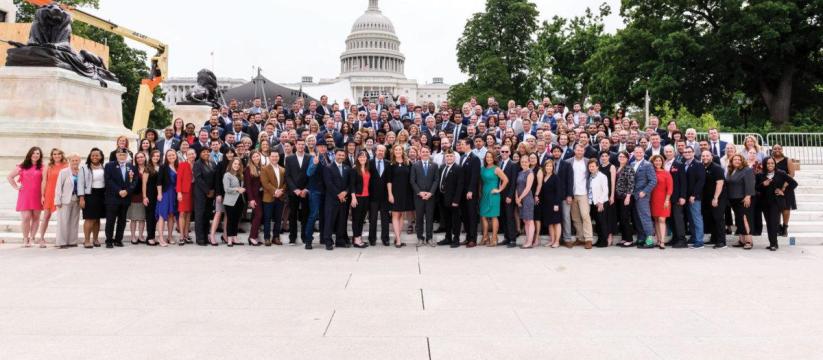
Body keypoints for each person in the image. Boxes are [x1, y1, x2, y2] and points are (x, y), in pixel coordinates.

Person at [757, 157, 797, 251]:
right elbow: (756, 188)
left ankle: (773, 244)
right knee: (769, 223)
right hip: (765, 202)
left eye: (772, 163)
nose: (770, 165)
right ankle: (773, 243)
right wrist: (763, 185)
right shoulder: (760, 175)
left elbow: (794, 183)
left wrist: (782, 190)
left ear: (775, 164)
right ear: (764, 164)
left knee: (774, 223)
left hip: (776, 202)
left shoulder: (781, 173)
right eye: (768, 163)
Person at [7, 147, 44, 248]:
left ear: (40, 156)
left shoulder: (42, 167)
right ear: (30, 154)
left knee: (36, 217)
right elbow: (9, 176)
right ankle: (25, 238)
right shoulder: (22, 166)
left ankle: (32, 238)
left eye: (38, 153)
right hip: (25, 195)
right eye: (34, 153)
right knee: (26, 217)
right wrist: (16, 186)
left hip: (38, 195)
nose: (35, 155)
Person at [103, 149, 138, 248]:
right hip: (113, 197)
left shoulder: (131, 167)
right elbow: (108, 180)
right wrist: (119, 190)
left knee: (122, 220)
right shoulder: (109, 165)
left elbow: (135, 181)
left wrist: (127, 191)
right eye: (119, 154)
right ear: (116, 155)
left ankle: (118, 240)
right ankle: (109, 240)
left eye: (123, 154)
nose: (121, 156)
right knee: (111, 220)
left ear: (127, 156)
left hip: (126, 197)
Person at [410, 147, 440, 247]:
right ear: (420, 153)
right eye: (423, 152)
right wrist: (419, 192)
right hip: (418, 197)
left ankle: (429, 238)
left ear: (430, 153)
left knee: (429, 218)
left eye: (427, 152)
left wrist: (430, 193)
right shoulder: (415, 165)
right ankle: (420, 238)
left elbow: (436, 180)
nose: (425, 153)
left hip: (430, 197)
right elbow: (412, 181)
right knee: (419, 218)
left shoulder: (434, 165)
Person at [478, 150, 509, 247]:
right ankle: (485, 236)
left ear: (494, 158)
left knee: (494, 216)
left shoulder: (496, 169)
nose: (489, 159)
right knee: (483, 216)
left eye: (491, 157)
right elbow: (481, 182)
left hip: (493, 194)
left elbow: (506, 180)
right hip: (484, 194)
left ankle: (494, 238)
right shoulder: (482, 168)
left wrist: (499, 190)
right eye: (487, 157)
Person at [565, 144, 593, 249]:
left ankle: (588, 239)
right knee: (575, 217)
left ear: (584, 151)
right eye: (578, 150)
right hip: (572, 194)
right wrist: (568, 194)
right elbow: (567, 179)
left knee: (585, 216)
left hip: (584, 193)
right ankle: (580, 238)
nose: (579, 152)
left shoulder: (587, 161)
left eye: (581, 150)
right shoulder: (568, 162)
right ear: (574, 150)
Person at [322, 148, 351, 250]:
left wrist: (345, 192)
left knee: (341, 220)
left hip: (343, 199)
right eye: (339, 155)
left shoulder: (347, 168)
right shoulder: (328, 167)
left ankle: (340, 241)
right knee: (330, 220)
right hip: (332, 199)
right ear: (335, 155)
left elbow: (349, 184)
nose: (341, 157)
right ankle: (328, 241)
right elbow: (328, 184)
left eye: (343, 155)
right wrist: (339, 194)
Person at [726, 154, 756, 250]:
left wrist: (748, 196)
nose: (737, 161)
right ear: (732, 161)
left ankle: (748, 241)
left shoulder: (747, 170)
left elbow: (750, 183)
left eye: (739, 159)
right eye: (735, 159)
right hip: (733, 199)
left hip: (743, 199)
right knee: (738, 219)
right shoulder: (731, 170)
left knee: (745, 219)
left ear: (742, 160)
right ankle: (741, 240)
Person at [38, 148, 67, 246]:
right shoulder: (48, 166)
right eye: (54, 154)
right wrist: (42, 195)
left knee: (61, 218)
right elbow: (44, 181)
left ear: (62, 155)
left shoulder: (66, 165)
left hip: (61, 194)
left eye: (59, 154)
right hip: (49, 193)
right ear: (52, 156)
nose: (57, 156)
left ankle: (60, 239)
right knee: (46, 216)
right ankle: (41, 239)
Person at [631, 146, 657, 248]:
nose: (638, 154)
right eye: (636, 152)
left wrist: (645, 192)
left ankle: (650, 241)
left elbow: (653, 181)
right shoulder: (632, 164)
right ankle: (641, 238)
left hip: (642, 196)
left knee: (645, 217)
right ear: (634, 153)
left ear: (643, 153)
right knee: (637, 218)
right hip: (633, 195)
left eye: (640, 152)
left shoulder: (648, 165)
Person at [285, 138, 310, 246]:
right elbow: (288, 175)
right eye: (299, 144)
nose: (301, 146)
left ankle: (304, 236)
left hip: (305, 191)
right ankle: (292, 237)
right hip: (293, 191)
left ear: (305, 146)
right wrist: (294, 189)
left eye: (302, 145)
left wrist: (306, 189)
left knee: (305, 215)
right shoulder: (289, 158)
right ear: (295, 145)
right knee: (292, 215)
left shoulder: (310, 157)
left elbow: (311, 175)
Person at [54, 153, 82, 248]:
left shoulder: (81, 171)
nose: (75, 162)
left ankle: (72, 241)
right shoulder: (64, 172)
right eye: (73, 160)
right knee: (63, 221)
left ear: (79, 161)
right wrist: (57, 200)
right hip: (65, 200)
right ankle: (61, 242)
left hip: (77, 200)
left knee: (74, 221)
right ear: (69, 161)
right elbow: (58, 187)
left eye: (76, 160)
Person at [387, 145, 413, 248]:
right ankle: (398, 241)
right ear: (393, 152)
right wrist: (390, 194)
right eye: (396, 150)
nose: (398, 151)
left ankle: (398, 237)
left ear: (402, 151)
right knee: (395, 215)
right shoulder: (391, 164)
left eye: (399, 149)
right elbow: (388, 181)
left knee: (402, 215)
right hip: (395, 193)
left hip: (406, 192)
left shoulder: (408, 163)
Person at [457, 138, 481, 247]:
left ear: (468, 145)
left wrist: (471, 190)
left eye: (462, 144)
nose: (460, 146)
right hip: (462, 192)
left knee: (472, 216)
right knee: (465, 216)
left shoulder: (475, 158)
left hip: (470, 192)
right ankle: (467, 237)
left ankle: (473, 239)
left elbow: (475, 176)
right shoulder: (462, 157)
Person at [436, 149, 463, 247]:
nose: (449, 158)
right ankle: (448, 238)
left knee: (455, 220)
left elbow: (460, 185)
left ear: (454, 157)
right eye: (447, 156)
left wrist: (456, 200)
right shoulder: (442, 167)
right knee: (446, 219)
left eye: (451, 156)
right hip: (443, 198)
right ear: (445, 158)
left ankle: (456, 239)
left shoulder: (458, 168)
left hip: (453, 200)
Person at [701, 150, 727, 249]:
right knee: (711, 218)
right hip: (707, 198)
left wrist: (715, 198)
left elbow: (720, 183)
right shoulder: (703, 167)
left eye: (707, 155)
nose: (705, 157)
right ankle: (714, 238)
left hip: (718, 197)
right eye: (703, 156)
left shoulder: (717, 168)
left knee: (718, 218)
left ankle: (721, 242)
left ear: (711, 157)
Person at [664, 145, 688, 248]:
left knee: (678, 218)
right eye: (666, 152)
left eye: (670, 151)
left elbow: (683, 182)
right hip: (666, 197)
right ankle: (675, 238)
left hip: (677, 196)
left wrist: (682, 196)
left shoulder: (679, 164)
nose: (668, 153)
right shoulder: (663, 164)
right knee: (670, 219)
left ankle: (682, 240)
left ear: (674, 153)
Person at [261, 151, 286, 246]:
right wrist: (275, 191)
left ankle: (276, 237)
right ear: (269, 157)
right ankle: (267, 238)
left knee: (278, 219)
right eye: (273, 156)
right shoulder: (264, 169)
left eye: (276, 156)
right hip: (269, 197)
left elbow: (285, 183)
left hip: (280, 198)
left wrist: (281, 191)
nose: (274, 158)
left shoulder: (283, 169)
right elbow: (265, 183)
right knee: (267, 219)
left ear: (279, 157)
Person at [536, 159, 563, 247]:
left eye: (550, 166)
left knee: (556, 222)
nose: (549, 167)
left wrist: (556, 204)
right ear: (545, 167)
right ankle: (552, 240)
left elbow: (559, 192)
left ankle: (557, 241)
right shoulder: (543, 177)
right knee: (550, 223)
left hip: (554, 203)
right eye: (547, 166)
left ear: (553, 167)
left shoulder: (556, 177)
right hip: (546, 204)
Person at [369, 145, 392, 246]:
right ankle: (372, 238)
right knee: (373, 219)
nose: (381, 152)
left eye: (383, 151)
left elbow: (389, 180)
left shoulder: (388, 163)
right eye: (379, 150)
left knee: (385, 219)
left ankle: (385, 238)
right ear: (375, 151)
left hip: (385, 196)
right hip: (372, 196)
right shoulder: (369, 163)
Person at [192, 148, 216, 246]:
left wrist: (213, 190)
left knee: (207, 215)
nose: (206, 153)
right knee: (199, 216)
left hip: (210, 193)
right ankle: (200, 238)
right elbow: (198, 178)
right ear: (200, 153)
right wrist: (207, 191)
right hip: (201, 193)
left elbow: (214, 177)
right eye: (203, 152)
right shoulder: (197, 164)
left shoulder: (212, 163)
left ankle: (206, 236)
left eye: (207, 152)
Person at [771, 144, 796, 236]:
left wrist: (784, 187)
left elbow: (792, 174)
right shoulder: (770, 160)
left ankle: (785, 228)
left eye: (779, 148)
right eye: (775, 148)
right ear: (772, 150)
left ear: (782, 150)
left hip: (786, 187)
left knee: (785, 208)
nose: (777, 150)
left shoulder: (787, 160)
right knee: (776, 208)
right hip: (774, 188)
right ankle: (777, 227)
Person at [648, 155, 672, 249]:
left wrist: (667, 200)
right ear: (653, 162)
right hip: (653, 200)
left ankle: (662, 241)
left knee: (662, 219)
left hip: (663, 199)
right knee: (656, 220)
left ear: (662, 162)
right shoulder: (651, 172)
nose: (658, 162)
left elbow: (670, 188)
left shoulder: (666, 173)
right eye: (655, 161)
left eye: (659, 161)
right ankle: (658, 240)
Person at [155, 150, 179, 247]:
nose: (171, 156)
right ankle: (160, 237)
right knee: (162, 215)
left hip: (174, 194)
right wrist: (159, 194)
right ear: (166, 157)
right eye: (169, 155)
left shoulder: (178, 166)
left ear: (176, 156)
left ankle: (169, 236)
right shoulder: (163, 167)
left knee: (171, 216)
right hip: (165, 193)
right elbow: (159, 181)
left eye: (173, 155)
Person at [497, 145, 519, 247]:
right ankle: (506, 237)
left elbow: (514, 182)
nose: (504, 153)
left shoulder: (513, 164)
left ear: (510, 153)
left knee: (510, 217)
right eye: (502, 151)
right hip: (500, 195)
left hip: (508, 196)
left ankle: (513, 240)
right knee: (503, 217)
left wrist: (510, 196)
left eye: (506, 151)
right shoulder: (499, 163)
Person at [349, 150, 371, 248]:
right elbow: (352, 184)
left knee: (362, 219)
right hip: (357, 197)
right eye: (361, 157)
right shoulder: (354, 169)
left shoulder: (367, 169)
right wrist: (353, 198)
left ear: (366, 158)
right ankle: (356, 240)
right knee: (356, 219)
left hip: (366, 197)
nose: (362, 158)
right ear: (357, 158)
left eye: (364, 157)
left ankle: (359, 238)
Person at [222, 158, 246, 247]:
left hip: (240, 200)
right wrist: (237, 189)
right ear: (231, 164)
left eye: (238, 164)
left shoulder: (241, 175)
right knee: (230, 221)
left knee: (236, 221)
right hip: (230, 201)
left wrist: (242, 189)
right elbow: (226, 189)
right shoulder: (227, 175)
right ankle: (229, 239)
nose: (237, 165)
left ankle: (235, 238)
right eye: (235, 164)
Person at [587, 159, 610, 248]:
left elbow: (605, 190)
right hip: (593, 202)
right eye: (590, 166)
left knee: (602, 222)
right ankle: (600, 240)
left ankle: (604, 241)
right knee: (597, 222)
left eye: (593, 166)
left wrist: (600, 202)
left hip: (601, 203)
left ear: (597, 167)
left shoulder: (602, 176)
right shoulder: (590, 176)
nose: (591, 168)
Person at [615, 152, 636, 247]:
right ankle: (624, 238)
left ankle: (629, 240)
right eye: (620, 156)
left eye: (624, 157)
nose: (621, 158)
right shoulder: (617, 168)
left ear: (627, 159)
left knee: (625, 218)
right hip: (618, 197)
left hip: (625, 197)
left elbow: (631, 184)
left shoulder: (629, 168)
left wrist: (628, 197)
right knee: (621, 218)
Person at [515, 155, 536, 248]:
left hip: (527, 199)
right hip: (520, 199)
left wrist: (520, 198)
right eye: (522, 161)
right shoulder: (520, 173)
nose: (524, 163)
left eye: (526, 161)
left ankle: (530, 242)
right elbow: (517, 187)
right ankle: (527, 240)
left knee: (530, 220)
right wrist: (516, 198)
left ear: (529, 162)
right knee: (525, 220)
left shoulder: (530, 173)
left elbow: (528, 188)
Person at [127, 152, 147, 245]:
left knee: (142, 218)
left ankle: (141, 236)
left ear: (145, 157)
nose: (140, 159)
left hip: (146, 196)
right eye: (138, 157)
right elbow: (129, 183)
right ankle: (133, 236)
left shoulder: (148, 168)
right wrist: (130, 178)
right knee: (134, 218)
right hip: (135, 196)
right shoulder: (133, 169)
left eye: (141, 157)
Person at [244, 151, 264, 246]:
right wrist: (250, 199)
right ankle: (252, 237)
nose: (256, 158)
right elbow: (248, 186)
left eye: (257, 156)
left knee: (258, 216)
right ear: (251, 158)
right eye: (254, 156)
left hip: (261, 195)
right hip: (254, 197)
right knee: (258, 215)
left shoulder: (261, 167)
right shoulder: (248, 169)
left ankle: (254, 236)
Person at [597, 150, 617, 245]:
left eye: (606, 156)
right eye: (602, 156)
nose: (604, 158)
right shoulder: (599, 167)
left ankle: (610, 236)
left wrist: (612, 195)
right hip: (600, 195)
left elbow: (613, 182)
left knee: (609, 216)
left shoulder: (612, 167)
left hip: (609, 195)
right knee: (602, 216)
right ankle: (603, 235)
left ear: (609, 157)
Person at [176, 148, 195, 245]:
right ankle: (181, 236)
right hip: (184, 192)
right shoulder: (182, 164)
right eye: (189, 154)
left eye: (193, 154)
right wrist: (179, 192)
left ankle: (187, 234)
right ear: (186, 155)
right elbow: (179, 179)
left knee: (189, 213)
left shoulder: (196, 165)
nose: (191, 155)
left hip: (193, 191)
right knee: (182, 213)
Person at [142, 150, 161, 246]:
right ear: (151, 157)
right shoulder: (148, 168)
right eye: (154, 156)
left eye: (158, 156)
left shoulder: (160, 167)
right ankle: (150, 237)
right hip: (149, 195)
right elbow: (144, 184)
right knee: (150, 217)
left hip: (158, 195)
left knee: (155, 217)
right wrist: (144, 197)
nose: (156, 157)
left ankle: (153, 236)